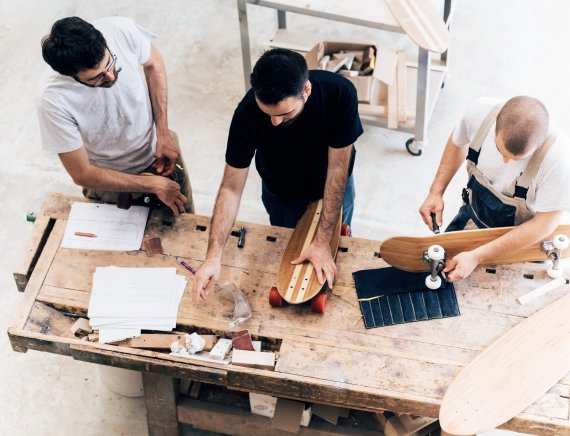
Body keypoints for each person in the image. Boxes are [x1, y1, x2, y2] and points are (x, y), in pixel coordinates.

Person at [191, 48, 363, 303]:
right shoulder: (247, 113)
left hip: (332, 183)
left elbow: (337, 170)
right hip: (281, 192)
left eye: (284, 114)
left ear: (306, 90)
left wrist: (323, 241)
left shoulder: (340, 94)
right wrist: (213, 256)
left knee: (336, 246)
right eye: (267, 114)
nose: (274, 122)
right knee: (288, 244)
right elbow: (231, 188)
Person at [37, 16, 193, 215]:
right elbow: (81, 173)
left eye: (110, 62)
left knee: (187, 227)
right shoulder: (52, 99)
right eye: (97, 77)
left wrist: (162, 132)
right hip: (109, 181)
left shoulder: (120, 30)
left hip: (160, 152)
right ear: (71, 75)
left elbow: (154, 64)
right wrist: (150, 184)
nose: (111, 76)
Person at [419, 96, 570, 281]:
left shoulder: (559, 160)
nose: (506, 162)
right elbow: (457, 142)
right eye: (500, 151)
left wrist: (477, 256)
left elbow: (543, 225)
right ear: (497, 118)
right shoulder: (479, 114)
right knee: (440, 272)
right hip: (474, 214)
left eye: (518, 159)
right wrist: (436, 191)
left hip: (523, 237)